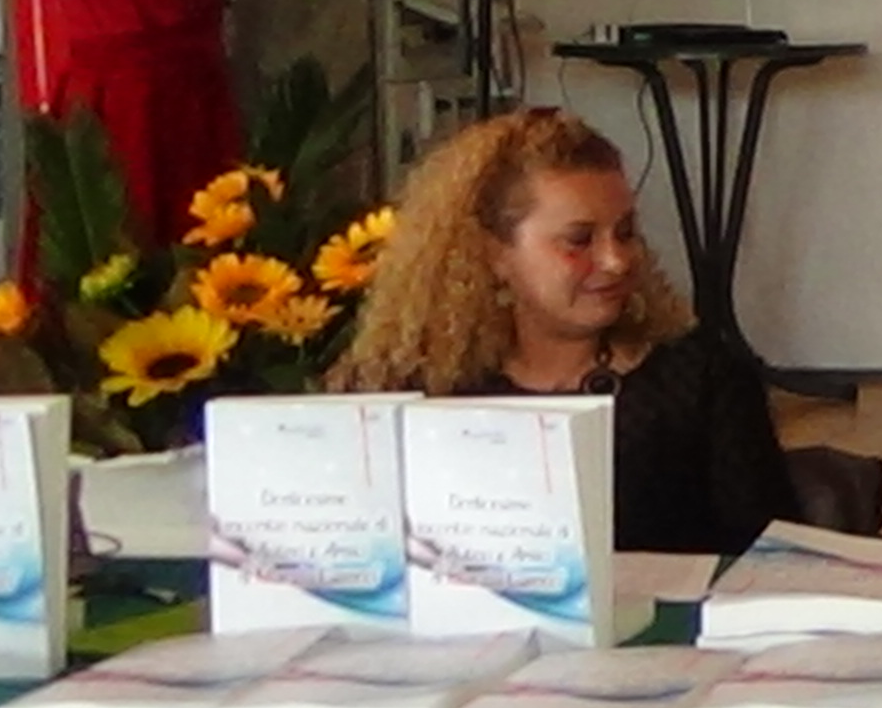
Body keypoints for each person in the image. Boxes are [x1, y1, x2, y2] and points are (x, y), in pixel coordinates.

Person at [333, 106, 789, 558]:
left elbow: (777, 562)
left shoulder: (702, 379)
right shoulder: (407, 386)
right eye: (579, 240)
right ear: (494, 253)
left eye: (625, 233)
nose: (616, 261)